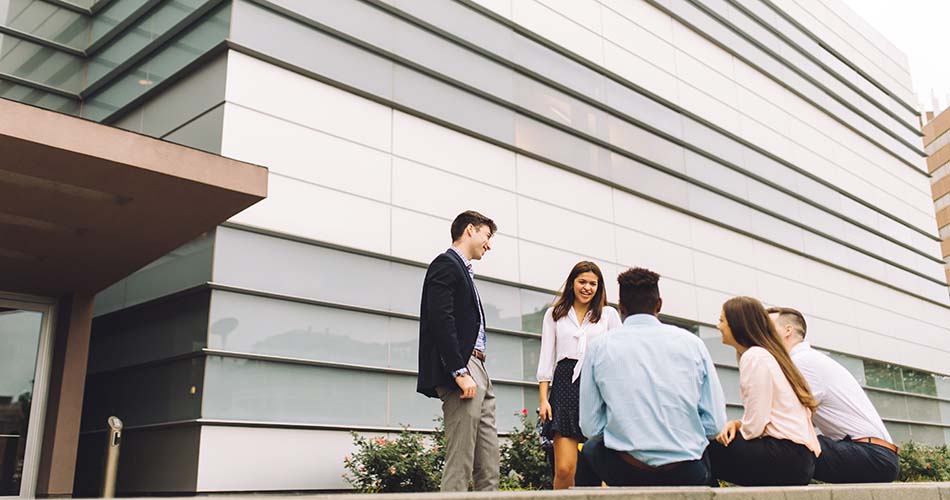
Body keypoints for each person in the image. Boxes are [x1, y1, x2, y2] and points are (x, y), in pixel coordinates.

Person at [575, 267, 727, 487]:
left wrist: (623, 435)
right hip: (685, 471)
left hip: (626, 469)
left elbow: (590, 427)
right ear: (659, 304)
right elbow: (714, 424)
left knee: (589, 451)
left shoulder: (599, 347)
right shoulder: (692, 344)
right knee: (703, 453)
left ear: (621, 308)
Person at [768, 307, 900, 483]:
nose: (761, 332)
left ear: (787, 331)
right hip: (872, 454)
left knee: (790, 447)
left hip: (873, 455)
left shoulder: (802, 363)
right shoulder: (807, 360)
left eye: (766, 327)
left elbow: (786, 418)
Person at [416, 210, 499, 491]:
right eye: (487, 236)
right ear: (470, 230)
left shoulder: (463, 271)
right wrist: (459, 371)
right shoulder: (445, 264)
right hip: (463, 367)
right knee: (460, 460)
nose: (489, 244)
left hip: (479, 368)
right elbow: (441, 319)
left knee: (488, 461)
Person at [708, 297, 821, 486]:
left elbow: (754, 427)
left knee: (701, 448)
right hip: (798, 460)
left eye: (722, 320)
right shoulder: (767, 355)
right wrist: (737, 424)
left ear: (737, 324)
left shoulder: (754, 356)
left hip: (783, 457)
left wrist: (735, 429)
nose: (718, 326)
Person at [536, 261, 622, 489]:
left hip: (598, 386)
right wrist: (544, 399)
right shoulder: (554, 314)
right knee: (564, 469)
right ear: (572, 282)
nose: (587, 287)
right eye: (582, 281)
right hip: (564, 387)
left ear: (599, 287)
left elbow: (620, 357)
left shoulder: (609, 315)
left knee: (604, 470)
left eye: (593, 283)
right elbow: (546, 358)